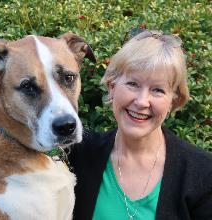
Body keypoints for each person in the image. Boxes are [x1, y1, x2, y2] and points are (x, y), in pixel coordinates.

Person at [68, 29, 212, 220]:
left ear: (173, 101)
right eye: (133, 84)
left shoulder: (203, 173)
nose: (142, 101)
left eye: (158, 90)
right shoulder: (77, 155)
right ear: (112, 87)